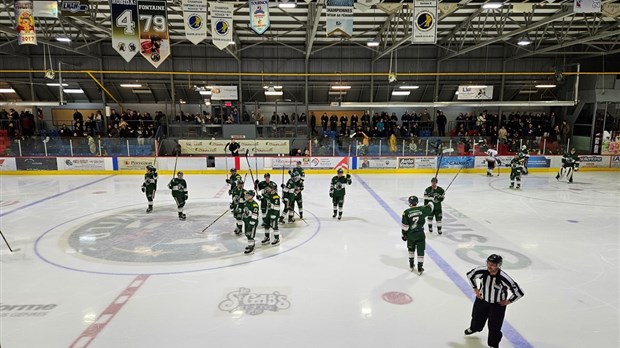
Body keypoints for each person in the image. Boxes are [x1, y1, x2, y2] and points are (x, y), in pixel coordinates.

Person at [464, 254, 525, 348]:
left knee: (494, 327)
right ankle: (474, 328)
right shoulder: (482, 271)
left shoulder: (504, 278)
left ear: (498, 266)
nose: (489, 266)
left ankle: (493, 344)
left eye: (493, 264)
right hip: (482, 300)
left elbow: (519, 292)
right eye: (488, 263)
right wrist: (476, 290)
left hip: (497, 306)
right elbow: (470, 275)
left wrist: (508, 301)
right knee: (476, 317)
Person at [401, 195, 434, 274]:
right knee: (420, 250)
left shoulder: (406, 212)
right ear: (417, 202)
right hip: (420, 234)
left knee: (411, 249)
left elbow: (405, 227)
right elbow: (431, 206)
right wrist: (432, 200)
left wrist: (404, 234)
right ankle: (420, 268)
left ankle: (411, 265)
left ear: (409, 202)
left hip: (410, 234)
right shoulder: (422, 209)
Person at [242, 190, 260, 255]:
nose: (247, 196)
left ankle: (251, 247)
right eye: (247, 195)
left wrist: (251, 224)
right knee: (247, 234)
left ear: (252, 196)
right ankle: (251, 244)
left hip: (252, 223)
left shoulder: (254, 205)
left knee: (250, 235)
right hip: (247, 221)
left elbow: (255, 215)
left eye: (248, 195)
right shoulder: (245, 203)